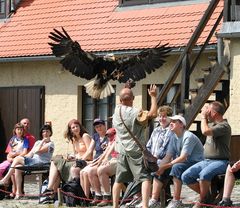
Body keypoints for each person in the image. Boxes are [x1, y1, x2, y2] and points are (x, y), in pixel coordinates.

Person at [112, 84, 158, 208]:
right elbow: (153, 114)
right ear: (133, 98)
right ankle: (145, 206)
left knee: (118, 180)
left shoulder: (116, 111)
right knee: (145, 178)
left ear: (120, 100)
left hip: (121, 150)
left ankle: (115, 206)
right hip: (136, 151)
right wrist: (153, 97)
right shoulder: (135, 112)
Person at [181, 101, 231, 208]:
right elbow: (206, 129)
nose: (206, 113)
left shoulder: (224, 126)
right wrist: (206, 114)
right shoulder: (211, 124)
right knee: (186, 176)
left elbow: (205, 131)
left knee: (204, 175)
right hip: (206, 161)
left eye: (209, 111)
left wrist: (203, 117)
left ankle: (201, 200)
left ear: (214, 113)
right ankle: (207, 198)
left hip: (221, 161)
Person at [157, 115, 204, 208]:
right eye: (171, 121)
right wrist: (159, 167)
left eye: (174, 121)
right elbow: (168, 156)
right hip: (186, 163)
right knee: (158, 167)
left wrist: (165, 166)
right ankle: (154, 199)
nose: (171, 123)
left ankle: (176, 200)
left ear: (181, 125)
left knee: (176, 167)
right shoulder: (174, 137)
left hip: (198, 163)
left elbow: (182, 158)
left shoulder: (188, 136)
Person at [0, 124, 54, 199]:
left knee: (18, 159)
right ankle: (19, 193)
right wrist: (22, 158)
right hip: (34, 161)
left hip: (42, 163)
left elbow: (38, 151)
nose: (45, 133)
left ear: (50, 133)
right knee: (17, 167)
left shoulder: (51, 144)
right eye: (43, 132)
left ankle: (6, 179)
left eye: (47, 131)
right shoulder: (38, 142)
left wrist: (43, 142)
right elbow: (30, 154)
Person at [43, 119, 92, 197]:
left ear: (80, 127)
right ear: (70, 130)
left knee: (59, 165)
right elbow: (76, 153)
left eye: (77, 126)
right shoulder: (73, 139)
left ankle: (50, 190)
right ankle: (51, 190)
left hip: (86, 161)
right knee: (56, 161)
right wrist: (72, 157)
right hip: (76, 160)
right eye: (73, 127)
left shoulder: (85, 136)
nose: (75, 128)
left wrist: (78, 158)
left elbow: (90, 154)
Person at [145, 106, 176, 208]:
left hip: (167, 161)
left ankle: (154, 200)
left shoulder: (171, 131)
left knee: (157, 167)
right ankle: (142, 198)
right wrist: (148, 156)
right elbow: (149, 145)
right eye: (160, 116)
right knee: (140, 167)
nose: (161, 119)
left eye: (164, 116)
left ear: (170, 118)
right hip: (153, 159)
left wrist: (154, 158)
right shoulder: (156, 130)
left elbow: (165, 148)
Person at [88, 127, 119, 207]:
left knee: (101, 170)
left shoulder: (118, 139)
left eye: (111, 135)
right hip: (111, 160)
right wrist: (98, 161)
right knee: (91, 171)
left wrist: (104, 159)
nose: (109, 137)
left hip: (119, 160)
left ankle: (107, 196)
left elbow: (110, 150)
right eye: (107, 136)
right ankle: (98, 195)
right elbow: (105, 152)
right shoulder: (110, 141)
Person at [79, 118, 108, 202]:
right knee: (82, 172)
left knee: (88, 171)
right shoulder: (95, 136)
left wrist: (95, 161)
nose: (99, 128)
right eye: (96, 127)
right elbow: (89, 150)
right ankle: (85, 196)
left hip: (104, 160)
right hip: (95, 160)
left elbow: (108, 151)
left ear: (104, 125)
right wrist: (81, 159)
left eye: (100, 126)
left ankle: (94, 196)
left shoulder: (109, 135)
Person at [0, 123, 29, 198]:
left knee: (14, 169)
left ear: (23, 131)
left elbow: (25, 152)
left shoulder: (25, 140)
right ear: (15, 130)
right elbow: (9, 152)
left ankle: (14, 190)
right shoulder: (12, 139)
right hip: (11, 159)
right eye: (18, 129)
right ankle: (5, 188)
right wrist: (10, 157)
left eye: (21, 130)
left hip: (19, 159)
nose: (19, 131)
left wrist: (16, 155)